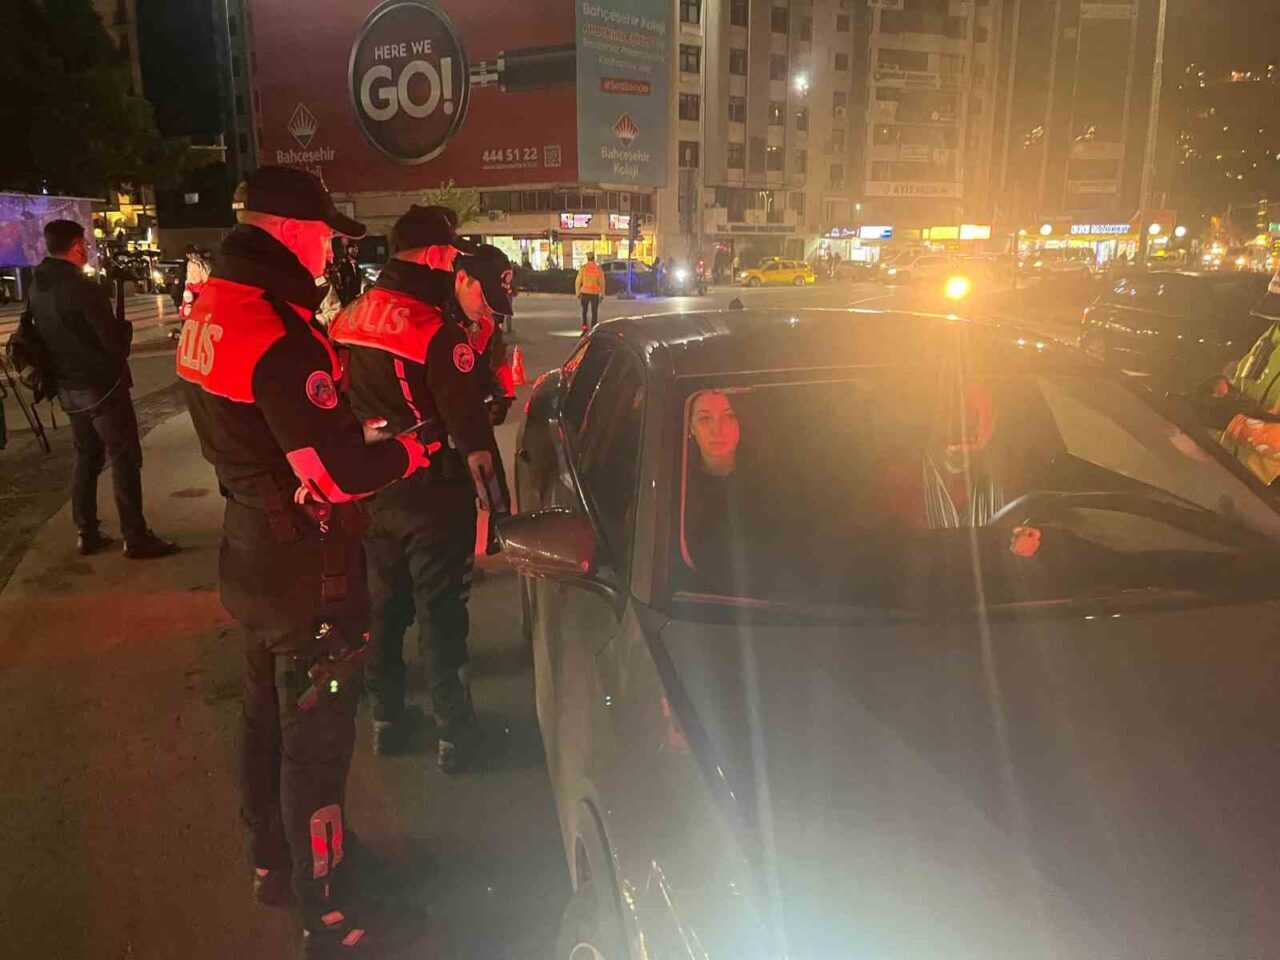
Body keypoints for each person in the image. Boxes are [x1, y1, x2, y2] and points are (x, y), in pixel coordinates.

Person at [177, 166, 437, 956]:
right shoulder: (280, 334)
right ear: (291, 231)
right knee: (316, 744)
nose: (332, 250)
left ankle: (274, 864)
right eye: (326, 236)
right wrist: (411, 452)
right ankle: (327, 908)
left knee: (263, 720)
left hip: (249, 548)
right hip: (306, 571)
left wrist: (341, 440)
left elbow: (265, 433)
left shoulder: (214, 305)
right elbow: (332, 475)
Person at [329, 206, 513, 773]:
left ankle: (386, 720)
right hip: (434, 491)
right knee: (441, 612)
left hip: (373, 489)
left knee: (385, 607)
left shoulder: (348, 317)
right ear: (435, 256)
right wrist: (499, 510)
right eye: (451, 254)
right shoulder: (434, 330)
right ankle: (455, 735)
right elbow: (473, 438)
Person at [26, 219, 177, 558]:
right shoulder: (82, 288)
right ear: (77, 245)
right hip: (101, 387)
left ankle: (87, 530)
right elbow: (113, 344)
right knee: (125, 457)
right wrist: (124, 329)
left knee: (87, 455)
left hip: (67, 387)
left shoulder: (37, 286)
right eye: (86, 244)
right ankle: (135, 536)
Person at [575, 251, 605, 332]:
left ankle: (585, 328)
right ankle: (593, 328)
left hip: (585, 293)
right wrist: (602, 294)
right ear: (594, 258)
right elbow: (602, 283)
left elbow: (578, 282)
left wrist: (578, 293)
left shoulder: (583, 268)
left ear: (587, 258)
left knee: (584, 311)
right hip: (595, 294)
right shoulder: (598, 269)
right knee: (594, 312)